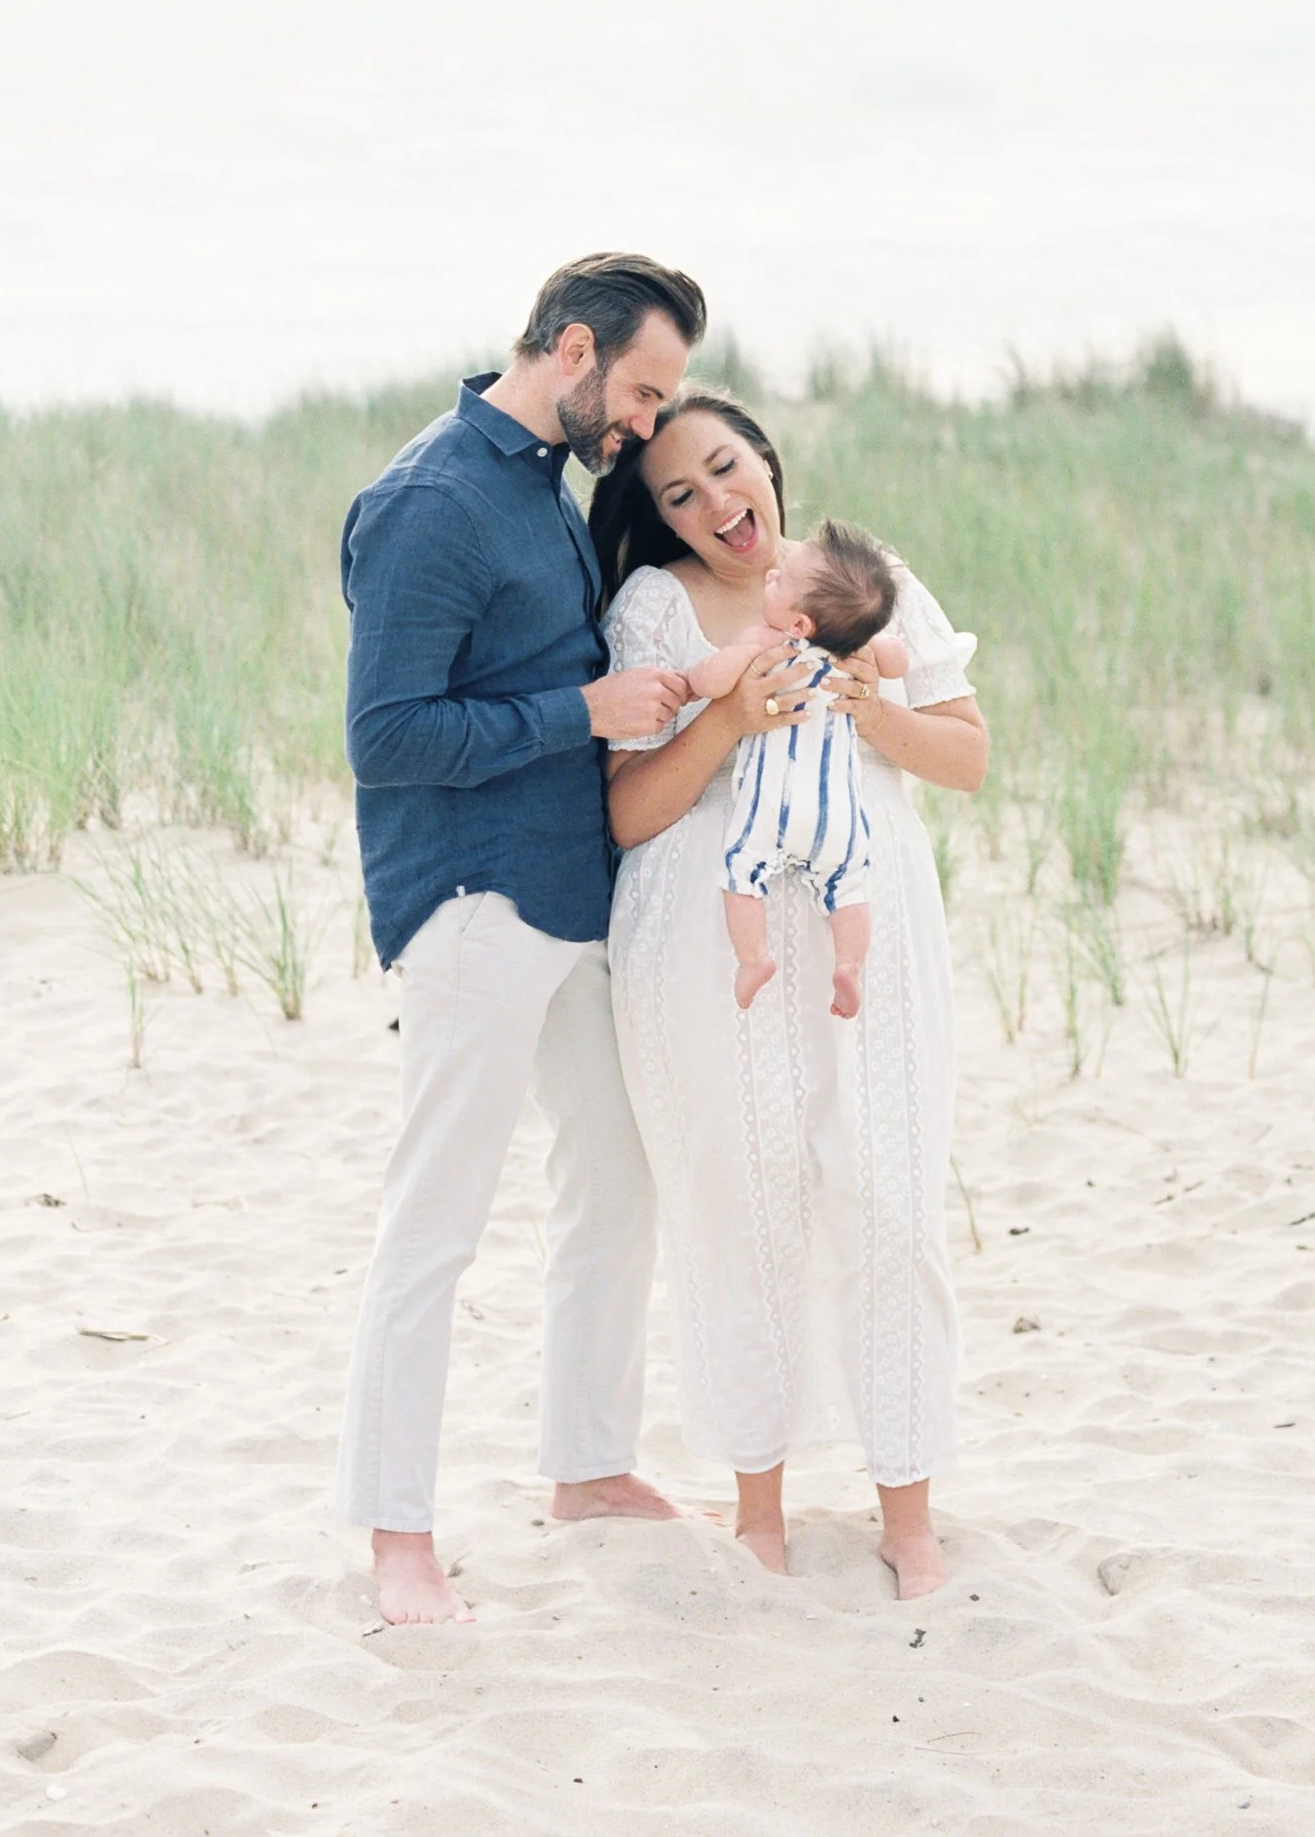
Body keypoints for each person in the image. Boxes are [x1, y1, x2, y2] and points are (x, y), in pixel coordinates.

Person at [333, 252, 706, 1626]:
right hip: (470, 904)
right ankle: (395, 1537)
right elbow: (385, 742)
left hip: (572, 899)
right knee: (435, 1222)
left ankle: (588, 1467)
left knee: (614, 1181)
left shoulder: (539, 485)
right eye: (644, 392)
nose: (651, 427)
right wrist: (585, 716)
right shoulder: (430, 500)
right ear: (568, 348)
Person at [588, 391, 988, 1598]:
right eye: (679, 496)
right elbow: (629, 810)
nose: (717, 507)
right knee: (740, 1203)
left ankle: (905, 1510)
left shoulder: (875, 582)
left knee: (889, 1197)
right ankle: (758, 1506)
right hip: (719, 941)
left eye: (725, 470)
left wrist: (865, 702)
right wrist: (731, 717)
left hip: (867, 928)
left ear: (765, 459)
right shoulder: (654, 609)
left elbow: (966, 754)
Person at [684, 521, 910, 1019]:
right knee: (850, 885)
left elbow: (711, 681)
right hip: (837, 812)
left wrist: (694, 677)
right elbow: (898, 662)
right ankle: (848, 965)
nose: (769, 577)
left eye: (779, 579)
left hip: (772, 802)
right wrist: (872, 638)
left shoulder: (765, 642)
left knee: (741, 871)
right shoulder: (858, 652)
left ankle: (753, 959)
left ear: (801, 625)